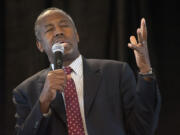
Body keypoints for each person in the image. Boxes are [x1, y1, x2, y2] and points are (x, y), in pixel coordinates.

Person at [13, 7, 161, 135]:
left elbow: (143, 127)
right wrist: (43, 102)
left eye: (64, 25)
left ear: (76, 36)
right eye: (49, 29)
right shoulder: (25, 92)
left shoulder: (116, 73)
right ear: (39, 45)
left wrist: (145, 71)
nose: (58, 32)